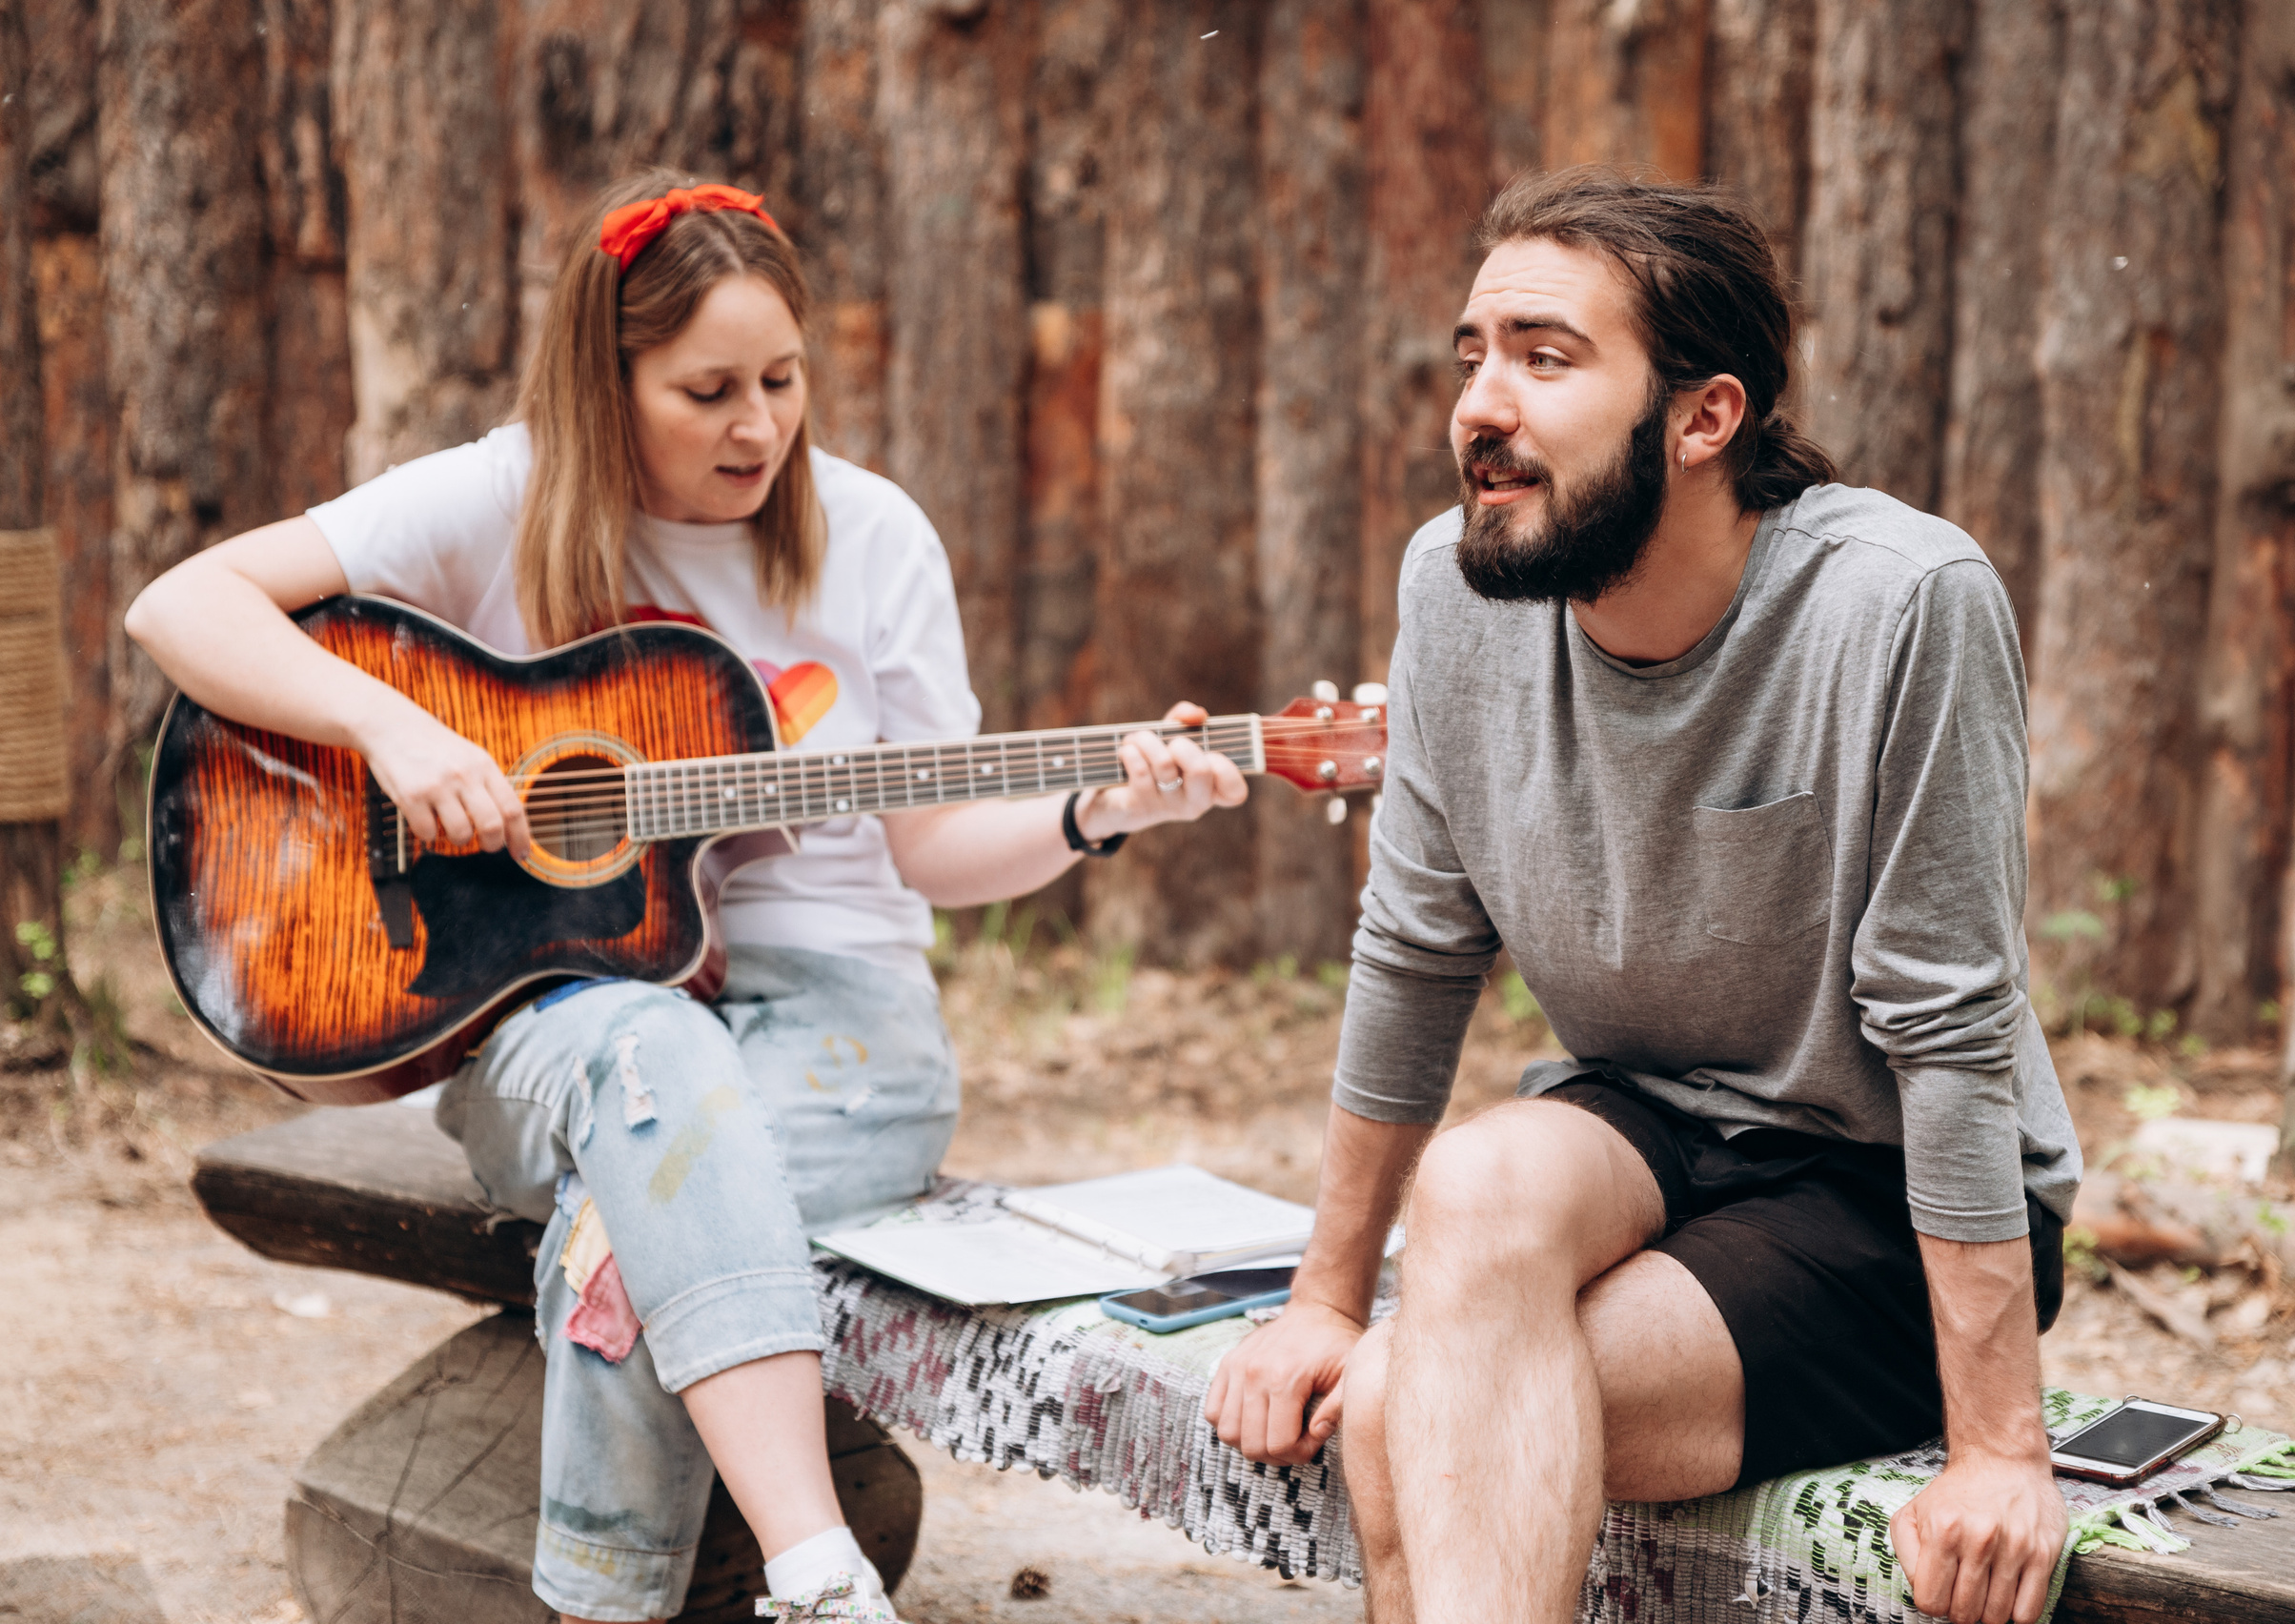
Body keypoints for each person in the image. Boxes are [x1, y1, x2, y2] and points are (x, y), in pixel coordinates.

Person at [126, 172, 1245, 1624]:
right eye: (708, 388)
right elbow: (180, 606)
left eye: (782, 380)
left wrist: (1097, 809)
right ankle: (821, 1571)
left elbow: (935, 852)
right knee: (657, 1053)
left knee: (624, 1237)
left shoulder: (876, 536)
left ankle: (691, 1597)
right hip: (575, 1027)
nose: (759, 425)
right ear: (609, 384)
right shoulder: (507, 491)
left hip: (847, 1034)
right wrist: (394, 733)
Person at [1203, 166, 2082, 1624]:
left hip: (1868, 1189)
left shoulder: (1900, 604)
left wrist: (2000, 1448)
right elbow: (1418, 949)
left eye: (1546, 359)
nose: (1482, 405)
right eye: (1474, 355)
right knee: (1476, 1179)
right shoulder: (1453, 590)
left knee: (1395, 1416)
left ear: (1702, 416)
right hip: (1641, 1119)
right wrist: (1322, 1303)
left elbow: (1948, 1032)